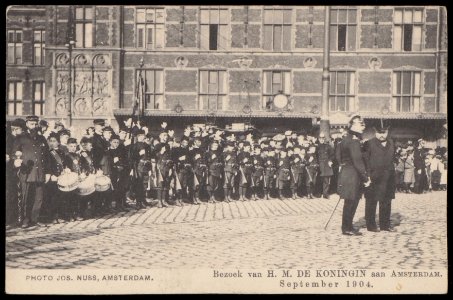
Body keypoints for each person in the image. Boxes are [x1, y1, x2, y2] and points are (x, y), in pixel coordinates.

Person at [12, 115, 51, 228]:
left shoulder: (41, 138)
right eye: (31, 124)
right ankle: (25, 219)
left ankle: (35, 218)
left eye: (35, 124)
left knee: (39, 196)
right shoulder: (21, 137)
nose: (33, 126)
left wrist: (48, 172)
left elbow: (47, 156)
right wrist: (16, 160)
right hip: (27, 171)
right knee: (26, 196)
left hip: (40, 171)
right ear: (27, 124)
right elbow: (15, 152)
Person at [337, 115, 370, 236]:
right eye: (359, 124)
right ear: (352, 125)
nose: (362, 126)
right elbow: (357, 161)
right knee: (351, 201)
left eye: (362, 124)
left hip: (347, 173)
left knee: (350, 201)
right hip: (353, 175)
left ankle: (348, 226)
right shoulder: (354, 141)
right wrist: (365, 177)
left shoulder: (348, 139)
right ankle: (346, 228)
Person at [363, 123, 396, 232]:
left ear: (387, 132)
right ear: (375, 132)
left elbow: (393, 158)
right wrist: (367, 176)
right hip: (374, 176)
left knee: (386, 201)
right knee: (371, 202)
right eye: (379, 133)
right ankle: (371, 226)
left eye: (384, 133)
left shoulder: (391, 142)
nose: (382, 135)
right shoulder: (369, 144)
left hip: (389, 177)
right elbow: (365, 160)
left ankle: (385, 225)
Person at [317, 133, 334, 199]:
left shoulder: (328, 146)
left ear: (324, 139)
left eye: (323, 138)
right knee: (319, 180)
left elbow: (332, 155)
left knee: (326, 180)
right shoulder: (316, 147)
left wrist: (330, 161)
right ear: (318, 139)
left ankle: (325, 194)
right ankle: (318, 193)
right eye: (320, 138)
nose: (321, 139)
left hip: (326, 164)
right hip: (319, 165)